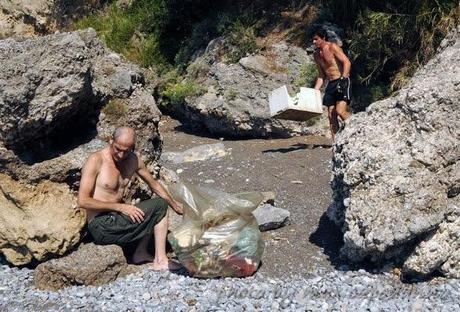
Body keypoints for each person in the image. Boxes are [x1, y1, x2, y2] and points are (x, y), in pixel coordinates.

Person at [77, 126, 183, 270]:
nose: (121, 155)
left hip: (117, 218)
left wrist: (175, 205)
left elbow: (154, 185)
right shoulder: (96, 160)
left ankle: (140, 253)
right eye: (117, 149)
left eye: (126, 151)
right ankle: (160, 260)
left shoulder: (133, 160)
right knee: (159, 206)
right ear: (110, 141)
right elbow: (83, 201)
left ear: (132, 147)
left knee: (154, 207)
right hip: (101, 224)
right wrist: (121, 207)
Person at [312, 28, 352, 140]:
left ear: (323, 38)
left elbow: (347, 62)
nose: (314, 42)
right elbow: (321, 76)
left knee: (340, 111)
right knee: (331, 114)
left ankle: (357, 128)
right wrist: (315, 91)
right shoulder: (316, 55)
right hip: (331, 84)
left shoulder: (332, 47)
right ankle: (336, 143)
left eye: (316, 39)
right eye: (313, 40)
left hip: (341, 80)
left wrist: (343, 79)